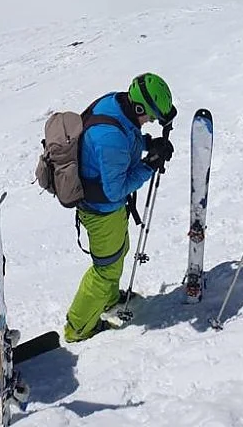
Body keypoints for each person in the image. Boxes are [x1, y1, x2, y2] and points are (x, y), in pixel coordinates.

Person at [64, 73, 176, 343]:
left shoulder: (117, 103)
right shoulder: (109, 137)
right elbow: (117, 188)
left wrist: (149, 144)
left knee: (118, 253)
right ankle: (78, 328)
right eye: (148, 117)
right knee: (105, 271)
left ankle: (109, 299)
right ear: (139, 107)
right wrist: (150, 164)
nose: (148, 122)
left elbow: (129, 134)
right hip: (101, 210)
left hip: (107, 208)